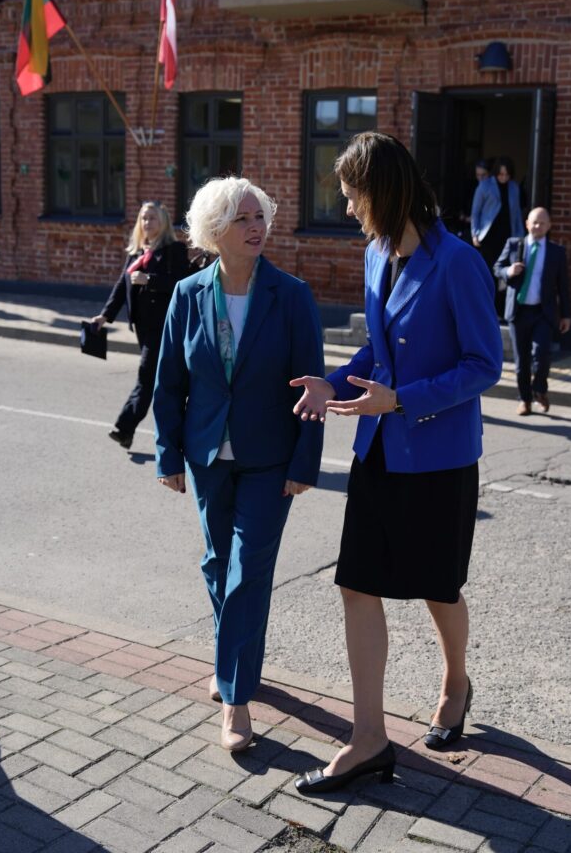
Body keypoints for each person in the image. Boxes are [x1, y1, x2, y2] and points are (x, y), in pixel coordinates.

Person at [290, 133, 502, 795]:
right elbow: (375, 354)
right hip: (376, 453)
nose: (349, 210)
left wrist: (401, 400)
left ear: (382, 192)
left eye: (353, 197)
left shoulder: (457, 263)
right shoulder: (377, 254)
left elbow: (483, 365)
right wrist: (332, 381)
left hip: (438, 459)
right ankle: (369, 739)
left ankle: (454, 680)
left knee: (438, 587)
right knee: (356, 584)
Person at [153, 176, 324, 754]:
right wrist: (167, 451)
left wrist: (306, 461)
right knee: (215, 563)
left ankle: (235, 698)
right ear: (214, 231)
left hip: (269, 458)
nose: (257, 227)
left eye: (260, 217)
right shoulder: (187, 293)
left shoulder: (291, 294)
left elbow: (312, 386)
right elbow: (169, 381)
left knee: (248, 571)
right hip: (206, 454)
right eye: (243, 218)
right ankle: (236, 656)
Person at [92, 201, 189, 450]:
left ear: (164, 222)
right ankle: (177, 432)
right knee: (163, 380)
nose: (147, 223)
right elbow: (120, 288)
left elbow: (182, 282)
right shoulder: (136, 253)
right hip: (143, 328)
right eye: (144, 218)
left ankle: (124, 427)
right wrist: (104, 317)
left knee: (146, 377)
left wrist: (150, 279)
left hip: (164, 327)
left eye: (153, 218)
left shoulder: (173, 250)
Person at [494, 207, 571, 416]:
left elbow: (563, 286)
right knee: (522, 361)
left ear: (549, 226)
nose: (537, 226)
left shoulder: (556, 252)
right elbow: (497, 267)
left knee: (542, 354)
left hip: (542, 312)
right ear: (527, 223)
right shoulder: (514, 245)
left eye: (542, 223)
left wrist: (566, 315)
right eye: (534, 222)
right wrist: (508, 271)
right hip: (518, 311)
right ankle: (525, 400)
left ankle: (539, 389)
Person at [471, 157, 525, 315]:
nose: (503, 177)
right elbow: (476, 212)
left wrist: (520, 236)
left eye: (507, 175)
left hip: (508, 235)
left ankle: (503, 310)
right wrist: (475, 233)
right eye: (501, 174)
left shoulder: (514, 188)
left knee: (506, 272)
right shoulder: (485, 185)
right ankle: (488, 308)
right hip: (489, 236)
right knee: (488, 272)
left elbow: (516, 214)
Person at [457, 158, 490, 241]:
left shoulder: (494, 190)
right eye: (478, 175)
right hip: (469, 229)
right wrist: (466, 218)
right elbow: (461, 211)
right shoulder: (471, 187)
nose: (480, 178)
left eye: (483, 175)